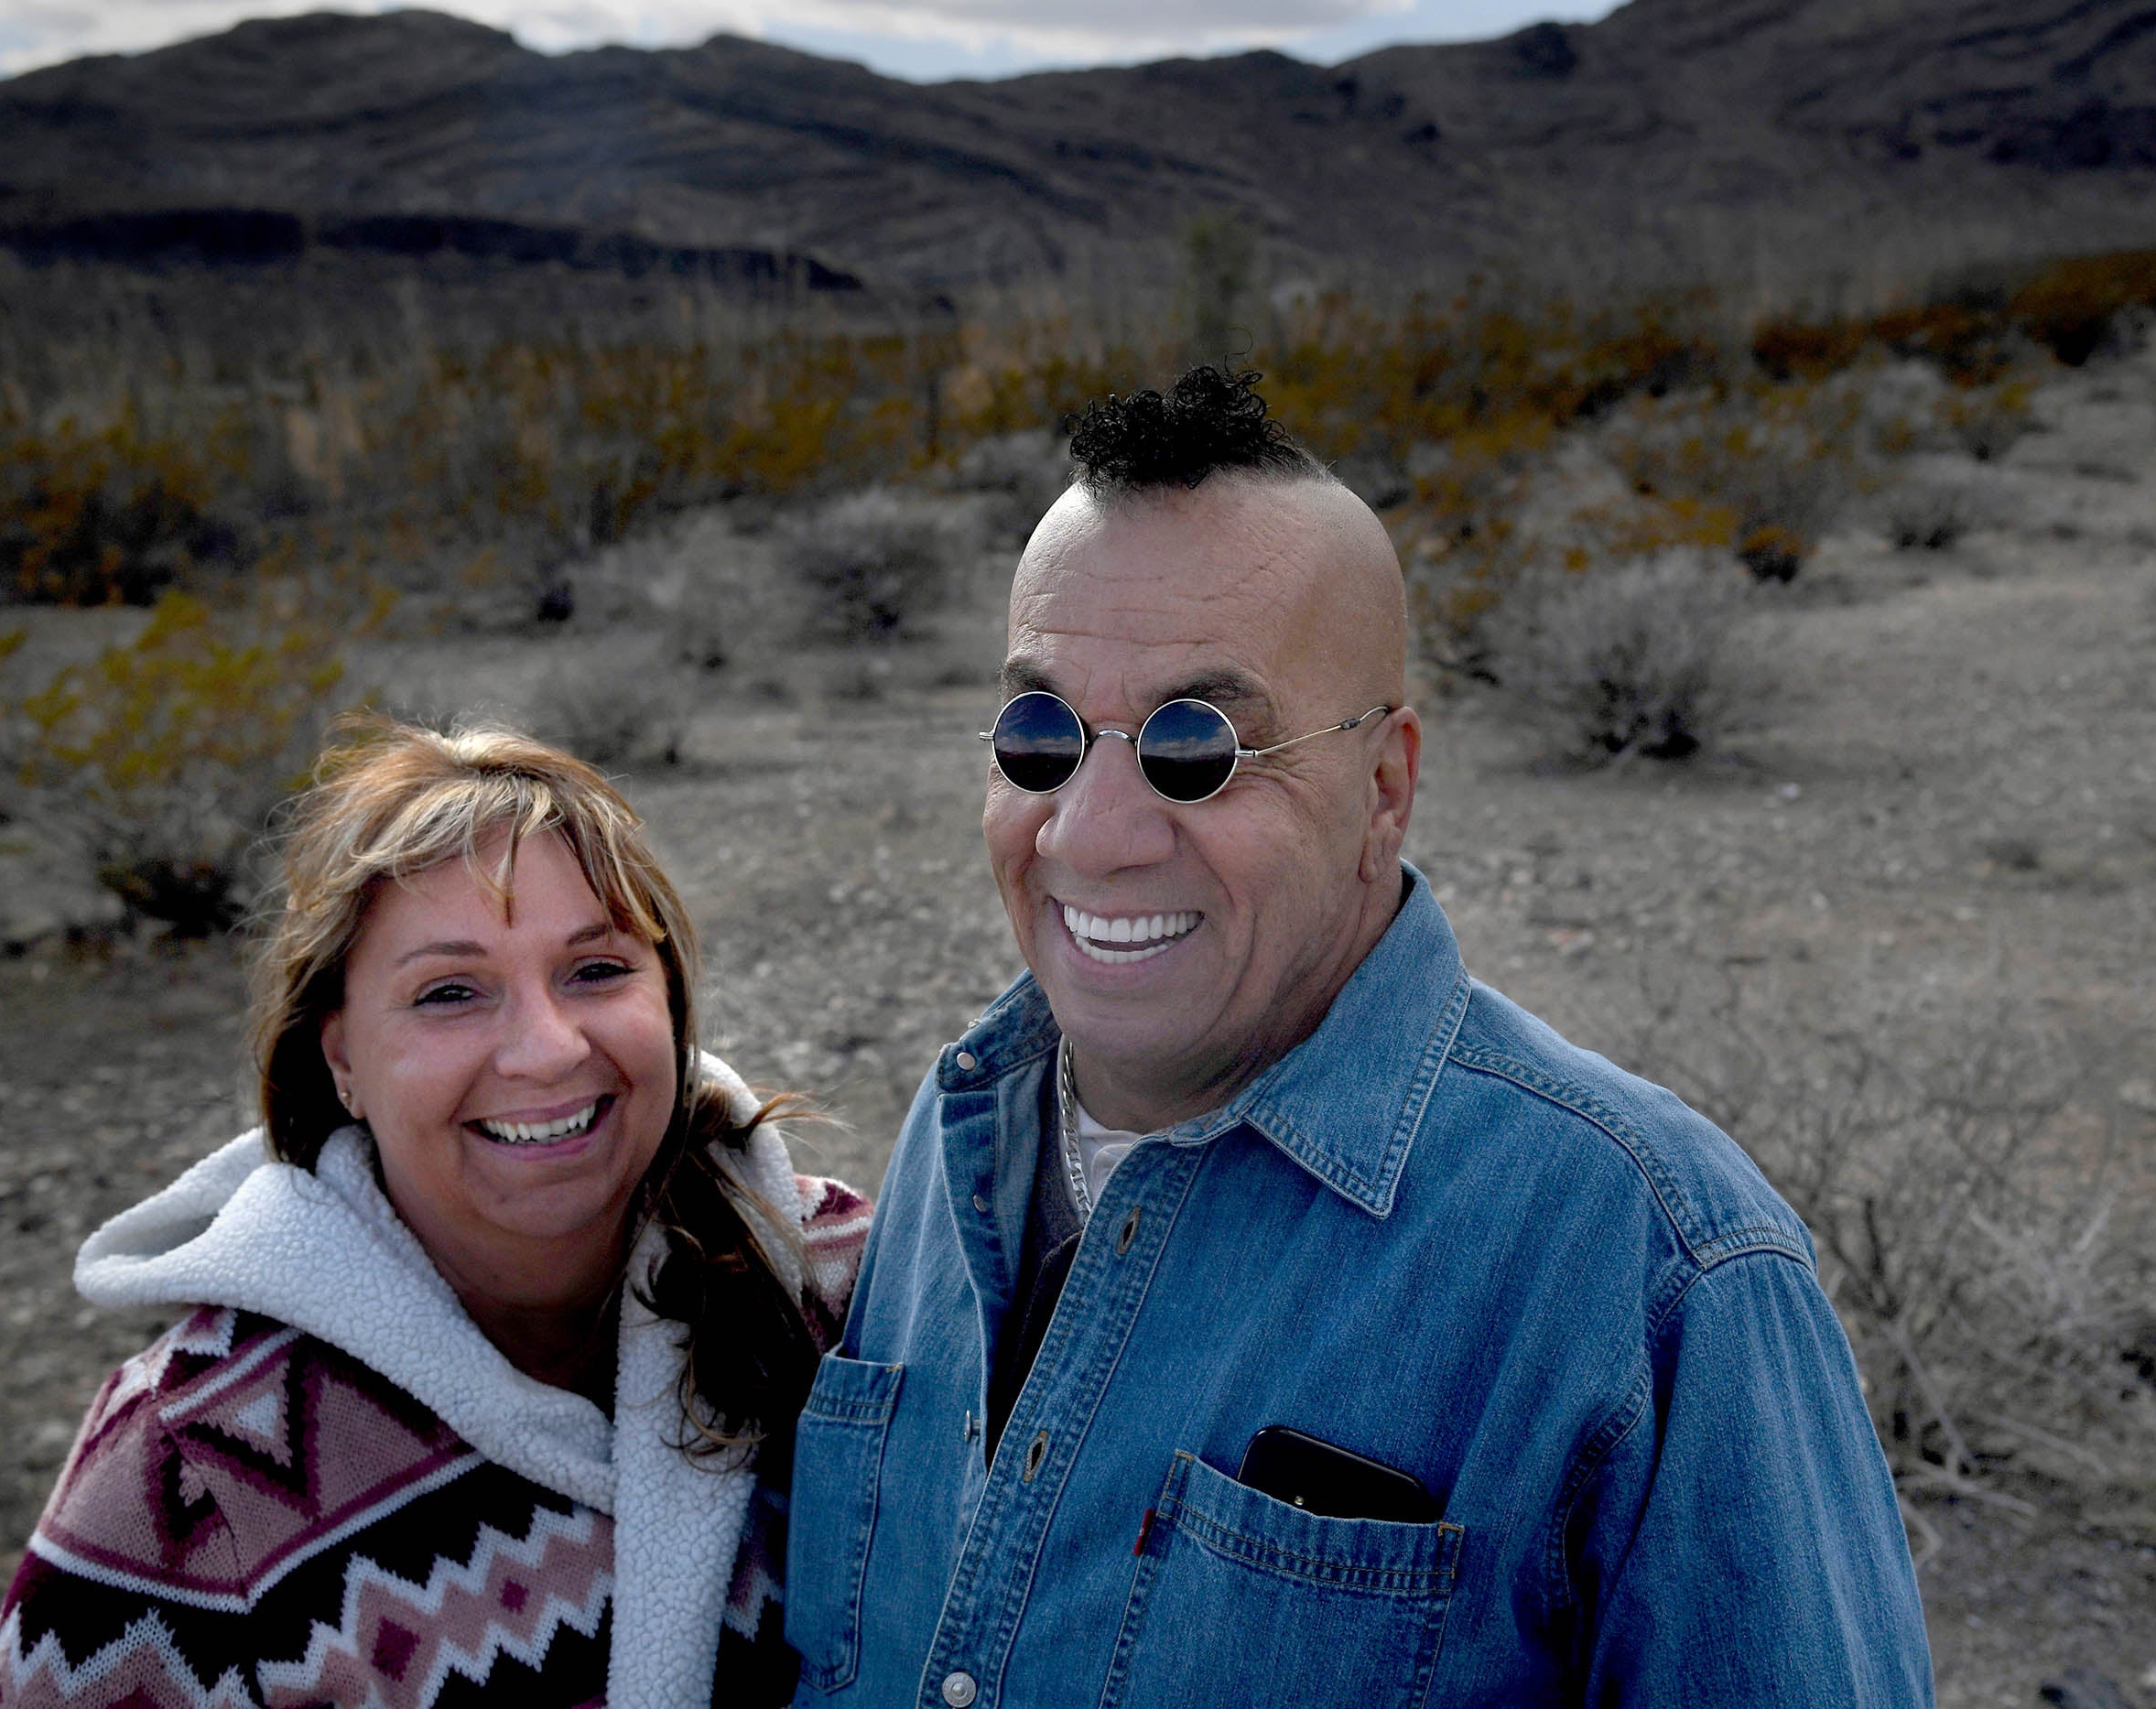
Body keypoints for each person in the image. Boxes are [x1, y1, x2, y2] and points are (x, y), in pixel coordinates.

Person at [785, 368, 1933, 1706]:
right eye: (1039, 733)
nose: (1085, 832)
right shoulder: (962, 1126)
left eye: (1195, 744)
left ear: (1383, 785)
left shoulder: (1651, 1268)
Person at [0, 720, 869, 1709]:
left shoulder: (853, 1301)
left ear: (673, 999)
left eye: (598, 969)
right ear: (341, 1058)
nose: (545, 1048)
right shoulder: (189, 1474)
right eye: (450, 992)